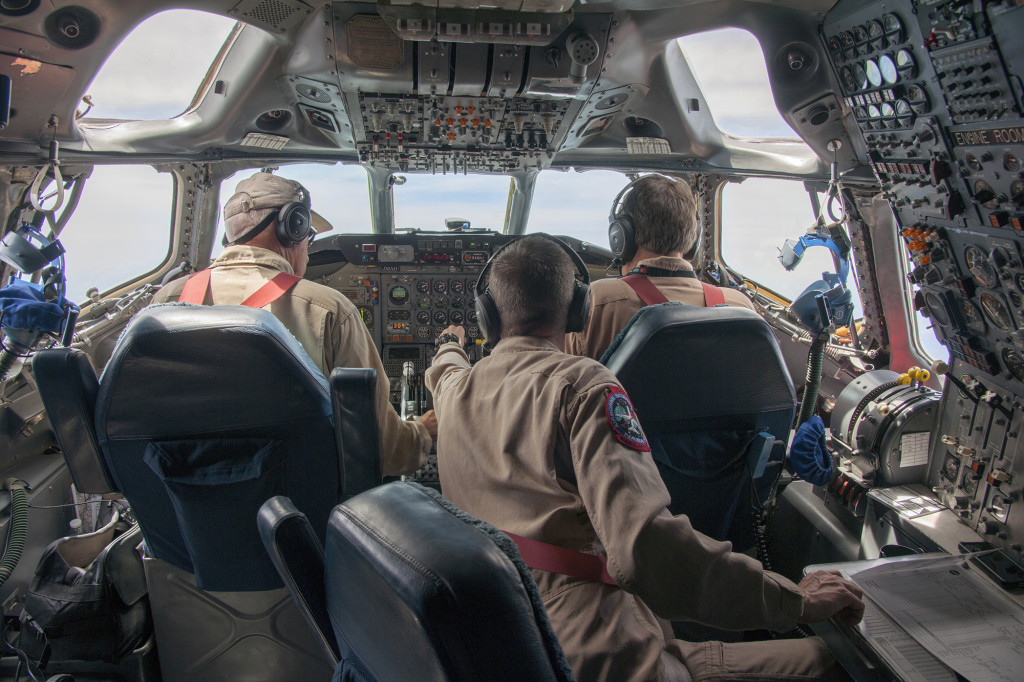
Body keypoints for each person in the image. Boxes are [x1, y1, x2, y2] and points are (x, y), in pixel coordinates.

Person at [426, 235, 862, 681]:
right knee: (839, 666)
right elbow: (645, 550)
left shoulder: (456, 393)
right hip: (601, 654)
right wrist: (795, 599)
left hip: (512, 638)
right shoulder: (583, 385)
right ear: (579, 309)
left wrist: (448, 342)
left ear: (490, 316)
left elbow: (444, 370)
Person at [151, 171, 435, 475]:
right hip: (297, 511)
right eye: (308, 235)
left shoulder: (167, 301)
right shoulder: (328, 309)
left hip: (186, 508)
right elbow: (384, 450)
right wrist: (422, 431)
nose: (309, 253)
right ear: (293, 227)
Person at [567, 174, 755, 360]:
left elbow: (560, 378)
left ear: (622, 237)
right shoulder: (740, 306)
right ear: (694, 237)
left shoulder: (600, 301)